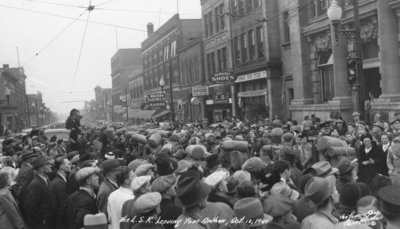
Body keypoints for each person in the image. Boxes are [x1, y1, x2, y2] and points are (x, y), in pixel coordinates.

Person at [49, 155, 72, 229]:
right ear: (62, 167)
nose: (70, 165)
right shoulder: (60, 183)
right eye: (68, 164)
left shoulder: (57, 180)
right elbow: (64, 204)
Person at [14, 150, 37, 220]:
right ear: (29, 159)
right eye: (33, 157)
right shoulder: (29, 170)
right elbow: (24, 188)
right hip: (28, 201)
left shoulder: (23, 167)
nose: (34, 158)